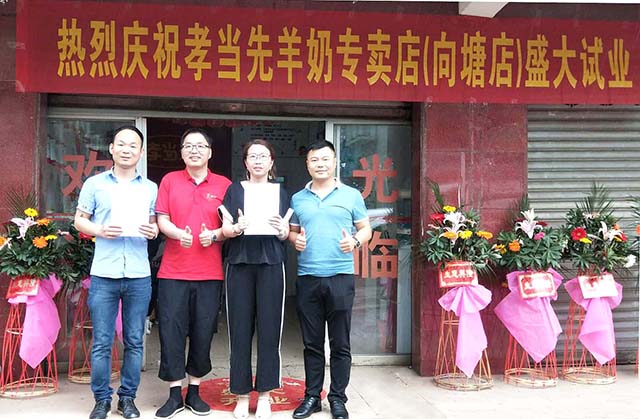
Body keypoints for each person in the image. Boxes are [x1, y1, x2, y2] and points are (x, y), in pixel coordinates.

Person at [74, 126, 159, 419]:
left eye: (133, 145)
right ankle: (101, 400)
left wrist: (153, 230)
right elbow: (79, 220)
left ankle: (127, 399)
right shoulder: (95, 184)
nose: (126, 149)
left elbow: (154, 223)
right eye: (121, 144)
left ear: (141, 152)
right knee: (102, 341)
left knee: (134, 340)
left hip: (138, 274)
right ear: (111, 148)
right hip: (104, 273)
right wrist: (99, 230)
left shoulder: (150, 188)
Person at [288, 140, 372, 419]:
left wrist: (355, 242)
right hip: (308, 277)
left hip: (340, 277)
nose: (320, 164)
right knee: (312, 343)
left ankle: (338, 398)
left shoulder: (351, 195)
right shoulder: (298, 198)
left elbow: (366, 229)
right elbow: (292, 231)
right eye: (314, 160)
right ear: (307, 164)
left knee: (340, 343)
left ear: (335, 162)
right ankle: (312, 396)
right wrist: (295, 240)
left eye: (325, 159)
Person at [153, 128, 231, 419]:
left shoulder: (224, 185)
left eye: (200, 146)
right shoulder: (170, 181)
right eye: (188, 146)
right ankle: (175, 393)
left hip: (210, 273)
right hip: (173, 271)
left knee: (203, 331)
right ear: (182, 152)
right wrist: (177, 234)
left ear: (210, 152)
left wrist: (216, 234)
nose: (194, 150)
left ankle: (195, 391)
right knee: (171, 331)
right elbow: (162, 219)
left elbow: (232, 226)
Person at [219, 139, 290, 419]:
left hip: (271, 263)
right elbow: (225, 228)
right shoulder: (234, 190)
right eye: (253, 156)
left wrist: (283, 231)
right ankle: (240, 394)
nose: (258, 160)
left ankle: (265, 395)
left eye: (263, 156)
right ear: (245, 162)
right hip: (239, 263)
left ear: (271, 162)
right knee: (239, 331)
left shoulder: (281, 192)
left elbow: (286, 232)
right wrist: (236, 228)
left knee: (270, 330)